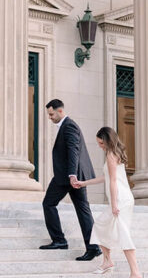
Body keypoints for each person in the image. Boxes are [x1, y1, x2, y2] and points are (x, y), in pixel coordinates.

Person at [71, 126, 142, 278]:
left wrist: (114, 204)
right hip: (122, 199)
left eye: (101, 143)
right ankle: (107, 261)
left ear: (107, 141)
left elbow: (114, 182)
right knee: (100, 226)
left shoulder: (111, 155)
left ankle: (135, 273)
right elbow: (106, 177)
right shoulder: (114, 154)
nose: (99, 146)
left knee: (123, 235)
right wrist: (84, 183)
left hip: (121, 200)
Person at [39, 99, 102, 261]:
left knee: (48, 203)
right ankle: (93, 246)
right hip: (72, 175)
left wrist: (72, 175)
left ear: (60, 111)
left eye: (51, 114)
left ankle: (59, 240)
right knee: (82, 209)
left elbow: (73, 150)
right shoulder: (67, 126)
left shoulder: (69, 126)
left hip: (69, 176)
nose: (50, 117)